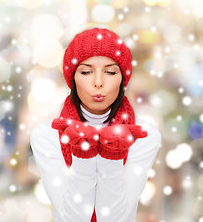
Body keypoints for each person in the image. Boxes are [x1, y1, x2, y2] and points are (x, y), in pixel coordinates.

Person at [30, 27, 161, 222]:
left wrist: (112, 154)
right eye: (85, 71)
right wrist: (83, 152)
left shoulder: (142, 135)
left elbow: (114, 218)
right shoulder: (47, 135)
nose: (98, 82)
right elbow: (73, 218)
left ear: (122, 78)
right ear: (72, 77)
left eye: (109, 72)